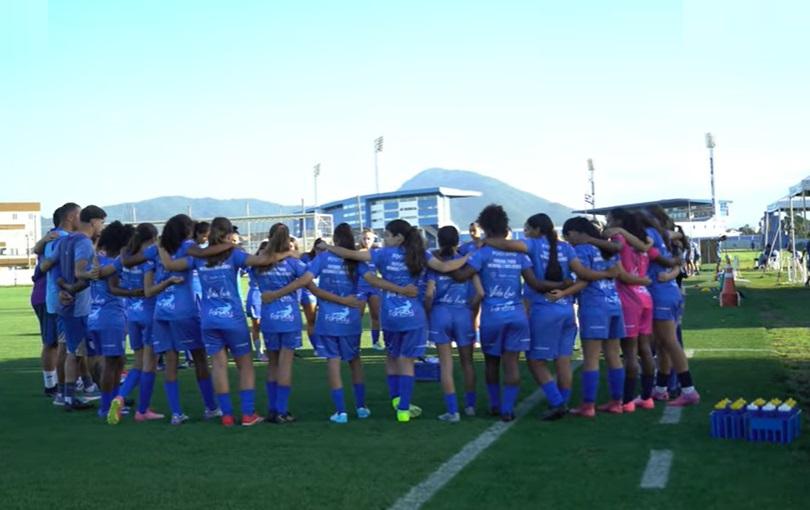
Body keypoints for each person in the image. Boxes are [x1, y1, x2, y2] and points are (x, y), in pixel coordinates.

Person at [324, 219, 469, 423]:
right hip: (414, 316)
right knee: (406, 360)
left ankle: (396, 399)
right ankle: (403, 409)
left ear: (398, 237)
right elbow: (445, 267)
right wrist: (469, 257)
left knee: (392, 357)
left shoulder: (382, 254)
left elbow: (351, 254)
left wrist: (328, 247)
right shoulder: (420, 254)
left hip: (390, 315)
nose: (384, 239)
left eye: (387, 235)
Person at [483, 213, 607, 420]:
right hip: (567, 310)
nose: (525, 232)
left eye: (528, 228)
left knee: (535, 361)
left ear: (537, 230)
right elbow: (583, 275)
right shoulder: (566, 248)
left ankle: (557, 402)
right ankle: (563, 401)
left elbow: (506, 245)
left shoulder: (533, 245)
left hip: (544, 310)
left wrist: (484, 241)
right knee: (563, 360)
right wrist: (567, 290)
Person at [159, 217, 271, 426]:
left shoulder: (198, 258)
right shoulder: (234, 254)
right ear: (228, 234)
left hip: (208, 320)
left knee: (219, 366)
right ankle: (248, 414)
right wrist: (282, 250)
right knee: (245, 366)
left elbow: (171, 264)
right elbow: (261, 261)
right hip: (233, 319)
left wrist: (162, 245)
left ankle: (226, 415)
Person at [451, 206, 553, 422]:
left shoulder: (482, 253)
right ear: (506, 229)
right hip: (517, 315)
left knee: (491, 363)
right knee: (512, 363)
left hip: (493, 317)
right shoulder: (518, 254)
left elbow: (461, 276)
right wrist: (562, 286)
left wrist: (446, 262)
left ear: (485, 228)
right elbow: (534, 283)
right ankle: (508, 409)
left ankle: (495, 405)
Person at [138, 214, 222, 425]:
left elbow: (133, 258)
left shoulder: (156, 250)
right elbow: (195, 258)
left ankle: (176, 412)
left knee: (170, 361)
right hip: (185, 310)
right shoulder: (188, 246)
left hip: (161, 311)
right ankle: (211, 407)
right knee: (200, 358)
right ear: (186, 230)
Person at [558, 217, 626, 417]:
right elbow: (617, 271)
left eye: (568, 236)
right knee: (614, 354)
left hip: (594, 306)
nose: (568, 240)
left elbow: (583, 277)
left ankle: (588, 405)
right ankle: (617, 401)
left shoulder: (581, 250)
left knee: (591, 357)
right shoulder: (608, 249)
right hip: (614, 303)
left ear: (577, 232)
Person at [303, 223, 370, 423]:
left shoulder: (324, 258)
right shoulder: (355, 260)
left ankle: (340, 411)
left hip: (328, 319)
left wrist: (319, 294)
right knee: (354, 361)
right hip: (350, 318)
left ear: (335, 239)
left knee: (333, 362)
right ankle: (361, 407)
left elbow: (306, 280)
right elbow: (367, 285)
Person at [254, 224, 312, 424]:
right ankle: (282, 410)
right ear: (288, 240)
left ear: (268, 237)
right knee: (285, 364)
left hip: (268, 317)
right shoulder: (293, 262)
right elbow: (309, 276)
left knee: (272, 364)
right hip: (289, 318)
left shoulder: (260, 262)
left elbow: (253, 274)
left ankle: (272, 409)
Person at [424, 226, 483, 421]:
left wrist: (428, 311)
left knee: (446, 365)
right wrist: (471, 310)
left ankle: (452, 411)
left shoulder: (434, 264)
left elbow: (429, 293)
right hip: (463, 315)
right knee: (467, 363)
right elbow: (480, 293)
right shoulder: (467, 263)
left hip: (440, 314)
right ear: (458, 241)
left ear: (439, 241)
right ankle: (471, 406)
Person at [85, 222, 141, 423]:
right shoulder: (111, 263)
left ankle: (114, 402)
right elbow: (113, 288)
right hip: (110, 317)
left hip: (96, 315)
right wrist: (135, 292)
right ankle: (106, 406)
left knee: (116, 362)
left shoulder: (97, 260)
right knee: (112, 364)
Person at [53, 205, 107, 411]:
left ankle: (68, 397)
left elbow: (56, 271)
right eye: (102, 222)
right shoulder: (84, 242)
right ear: (93, 221)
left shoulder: (65, 240)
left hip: (67, 302)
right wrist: (99, 272)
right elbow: (80, 271)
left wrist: (63, 288)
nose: (102, 226)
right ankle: (106, 395)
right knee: (85, 352)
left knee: (72, 351)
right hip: (80, 304)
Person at [604, 209, 656, 411]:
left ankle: (626, 401)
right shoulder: (644, 239)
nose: (607, 224)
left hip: (628, 298)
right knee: (645, 349)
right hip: (645, 296)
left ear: (619, 221)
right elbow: (647, 246)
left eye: (609, 220)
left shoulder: (619, 238)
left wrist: (618, 234)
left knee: (629, 352)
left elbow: (623, 276)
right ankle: (647, 397)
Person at [119, 223, 164, 421]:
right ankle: (143, 410)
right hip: (149, 312)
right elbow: (149, 289)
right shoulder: (150, 259)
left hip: (131, 314)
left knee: (138, 363)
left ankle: (120, 397)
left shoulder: (125, 257)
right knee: (150, 364)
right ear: (152, 238)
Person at [37, 203, 81, 405]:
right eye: (80, 215)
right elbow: (49, 266)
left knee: (62, 342)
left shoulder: (54, 236)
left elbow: (42, 259)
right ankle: (58, 389)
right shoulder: (59, 238)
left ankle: (69, 385)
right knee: (56, 342)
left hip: (56, 294)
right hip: (56, 295)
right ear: (71, 217)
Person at [358, 228, 384, 351]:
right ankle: (355, 343)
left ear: (373, 239)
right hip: (360, 287)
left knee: (375, 315)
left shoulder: (377, 253)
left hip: (374, 288)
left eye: (369, 238)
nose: (366, 240)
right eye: (364, 238)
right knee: (358, 315)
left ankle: (375, 342)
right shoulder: (356, 253)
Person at [246, 241, 268, 361]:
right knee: (257, 325)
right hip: (256, 295)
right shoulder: (253, 264)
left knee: (269, 325)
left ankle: (272, 350)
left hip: (269, 295)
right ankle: (259, 351)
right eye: (263, 249)